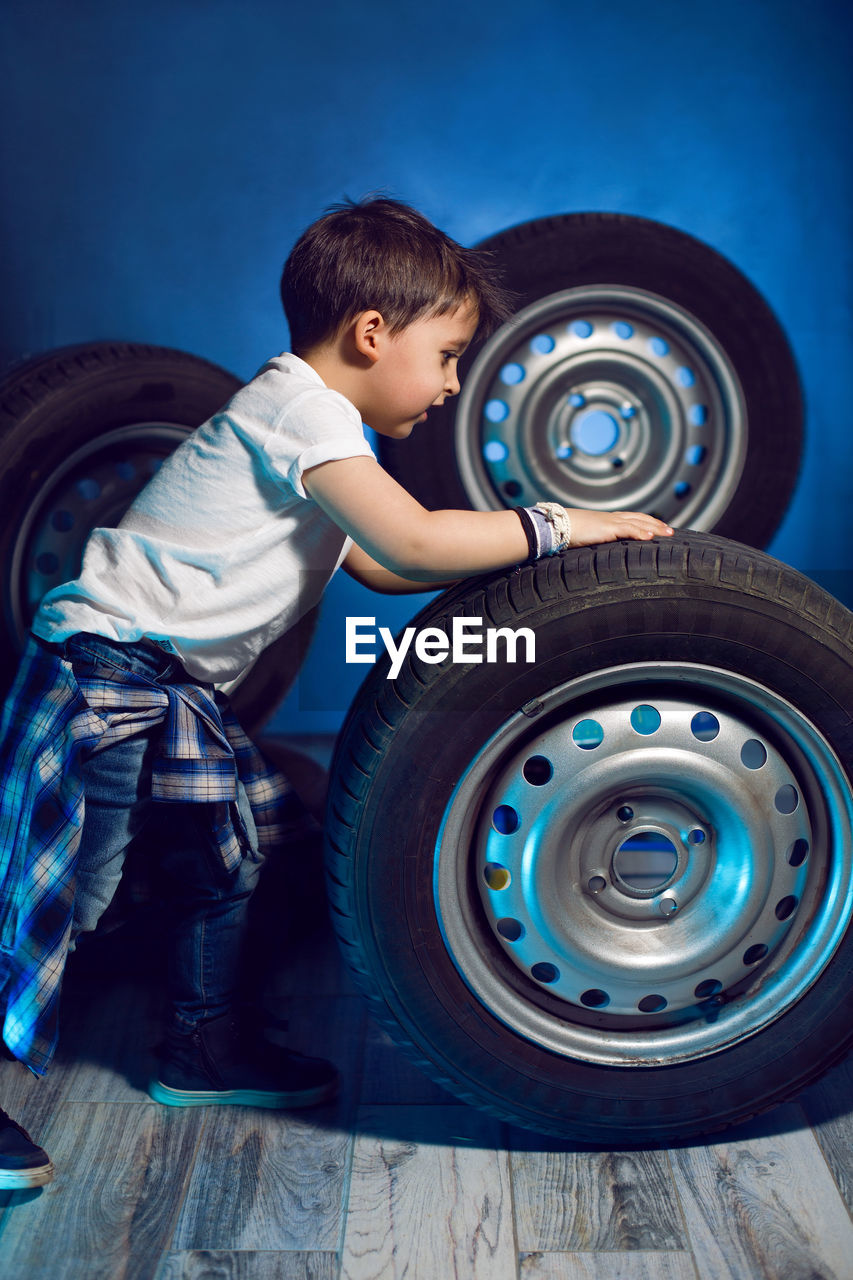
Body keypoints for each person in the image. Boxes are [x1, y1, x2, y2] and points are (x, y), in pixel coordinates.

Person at [0, 197, 672, 1183]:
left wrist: (508, 566)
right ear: (369, 333)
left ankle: (203, 1042)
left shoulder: (317, 432)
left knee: (229, 855)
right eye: (445, 354)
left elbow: (379, 566)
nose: (451, 383)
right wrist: (561, 525)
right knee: (40, 891)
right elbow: (408, 539)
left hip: (166, 688)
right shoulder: (301, 409)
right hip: (102, 672)